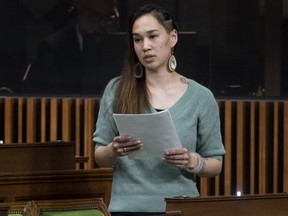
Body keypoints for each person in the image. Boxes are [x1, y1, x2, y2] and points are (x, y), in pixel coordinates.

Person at [93, 3, 226, 215]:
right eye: (137, 39)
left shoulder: (201, 96)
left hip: (179, 207)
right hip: (126, 208)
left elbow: (215, 164)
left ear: (172, 38)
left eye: (153, 36)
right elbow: (99, 157)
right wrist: (113, 150)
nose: (145, 46)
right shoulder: (116, 89)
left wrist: (192, 161)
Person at [24, 0, 123, 95]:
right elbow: (51, 96)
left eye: (109, 17)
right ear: (77, 11)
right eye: (95, 15)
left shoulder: (124, 47)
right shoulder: (52, 48)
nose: (102, 24)